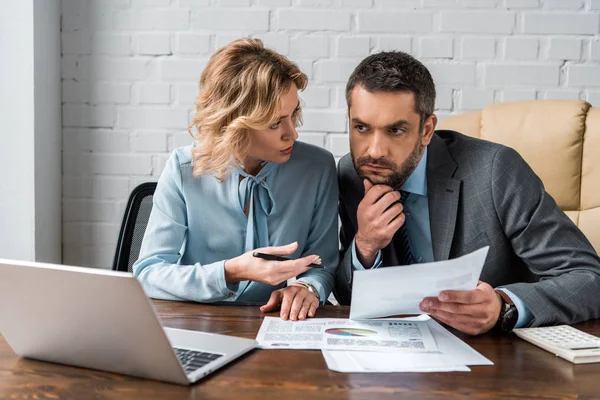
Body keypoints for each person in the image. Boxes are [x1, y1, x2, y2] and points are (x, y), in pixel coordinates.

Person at [334, 51, 600, 335]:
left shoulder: (495, 170)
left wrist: (503, 306)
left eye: (396, 130)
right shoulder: (353, 173)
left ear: (426, 130)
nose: (374, 151)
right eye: (361, 127)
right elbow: (348, 297)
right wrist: (365, 245)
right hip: (400, 354)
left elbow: (588, 278)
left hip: (498, 357)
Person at [134, 38, 338, 321]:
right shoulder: (183, 169)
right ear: (233, 124)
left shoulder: (317, 167)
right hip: (197, 323)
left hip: (276, 325)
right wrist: (232, 270)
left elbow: (322, 263)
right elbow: (149, 274)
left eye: (293, 115)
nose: (292, 134)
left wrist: (307, 287)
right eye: (274, 123)